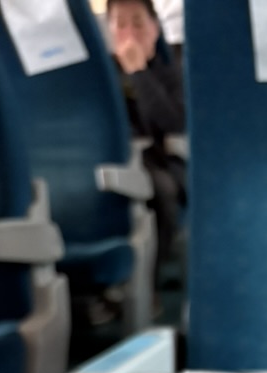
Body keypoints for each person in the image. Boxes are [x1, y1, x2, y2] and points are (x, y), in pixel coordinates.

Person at [106, 0, 185, 289]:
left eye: (138, 23)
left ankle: (147, 285)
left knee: (163, 190)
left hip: (155, 159)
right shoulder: (101, 76)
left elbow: (170, 123)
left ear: (155, 29)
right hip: (110, 159)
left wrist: (139, 73)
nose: (129, 33)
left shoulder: (169, 71)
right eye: (120, 24)